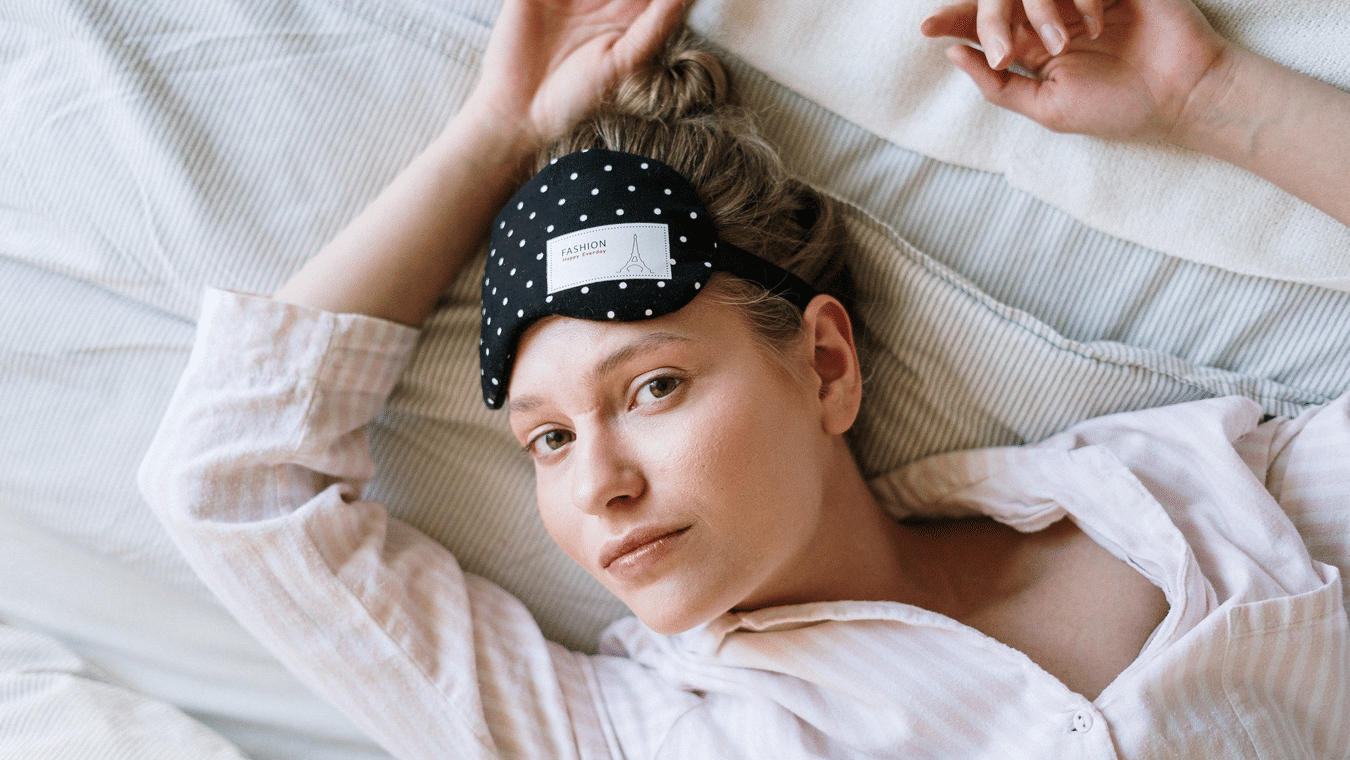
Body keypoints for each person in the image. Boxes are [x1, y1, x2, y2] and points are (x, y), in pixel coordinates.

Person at [139, 0, 1350, 757]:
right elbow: (232, 485)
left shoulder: (1198, 499)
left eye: (651, 388)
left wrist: (1208, 96)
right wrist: (493, 132)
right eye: (547, 440)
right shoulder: (631, 734)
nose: (600, 483)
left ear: (824, 363)